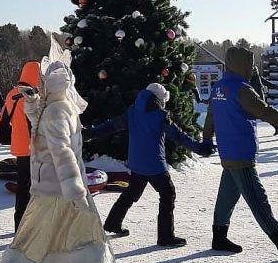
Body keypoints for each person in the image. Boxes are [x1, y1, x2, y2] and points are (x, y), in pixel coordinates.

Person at [0, 52, 116, 263]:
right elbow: (44, 127)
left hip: (54, 188)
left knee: (32, 234)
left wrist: (73, 189)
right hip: (71, 187)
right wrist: (33, 104)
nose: (40, 85)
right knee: (85, 233)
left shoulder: (55, 112)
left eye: (43, 82)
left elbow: (62, 152)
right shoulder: (62, 107)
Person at [202, 46, 278, 259]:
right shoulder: (242, 89)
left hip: (228, 151)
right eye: (250, 64)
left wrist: (206, 138)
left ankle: (219, 237)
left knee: (227, 195)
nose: (252, 68)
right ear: (242, 65)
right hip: (241, 152)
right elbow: (265, 111)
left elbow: (211, 116)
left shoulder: (219, 88)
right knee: (257, 199)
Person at [85, 83, 207, 247]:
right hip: (155, 165)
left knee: (131, 192)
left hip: (136, 163)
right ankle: (165, 236)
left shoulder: (132, 111)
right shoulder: (160, 116)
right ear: (159, 99)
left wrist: (90, 133)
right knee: (167, 194)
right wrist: (199, 148)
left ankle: (113, 223)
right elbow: (178, 136)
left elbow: (111, 126)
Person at [0, 61, 41, 231]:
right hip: (36, 149)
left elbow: (2, 118)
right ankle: (33, 226)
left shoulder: (13, 93)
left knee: (22, 188)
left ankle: (19, 225)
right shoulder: (34, 96)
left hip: (21, 148)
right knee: (38, 187)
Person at [250, 66, 278, 136]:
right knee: (261, 115)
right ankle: (277, 126)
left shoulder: (256, 78)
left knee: (263, 115)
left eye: (253, 71)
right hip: (253, 100)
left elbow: (268, 84)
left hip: (259, 100)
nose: (252, 72)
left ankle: (277, 126)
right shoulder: (249, 79)